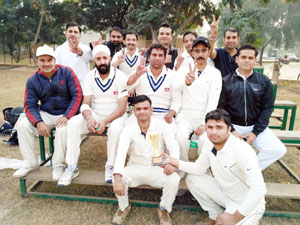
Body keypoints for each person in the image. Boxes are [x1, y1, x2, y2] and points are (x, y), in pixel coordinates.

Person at [164, 109, 266, 225]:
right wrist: (175, 162)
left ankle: (248, 219)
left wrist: (235, 217)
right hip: (225, 194)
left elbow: (259, 188)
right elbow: (199, 168)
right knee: (192, 179)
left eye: (219, 127)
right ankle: (215, 215)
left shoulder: (242, 150)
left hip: (247, 204)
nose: (214, 132)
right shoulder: (209, 143)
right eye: (210, 127)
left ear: (229, 129)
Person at [57, 44, 128, 186]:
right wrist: (89, 118)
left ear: (109, 59)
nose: (102, 61)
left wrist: (105, 121)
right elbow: (86, 103)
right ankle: (71, 166)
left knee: (116, 129)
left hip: (116, 116)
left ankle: (111, 166)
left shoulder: (121, 76)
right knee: (73, 123)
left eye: (105, 58)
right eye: (98, 59)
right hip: (95, 114)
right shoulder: (89, 76)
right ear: (94, 61)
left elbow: (122, 107)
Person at [13, 45, 82, 179]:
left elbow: (77, 95)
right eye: (42, 60)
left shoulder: (67, 72)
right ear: (37, 61)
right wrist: (38, 122)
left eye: (49, 60)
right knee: (22, 125)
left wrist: (67, 116)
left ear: (55, 60)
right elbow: (30, 104)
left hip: (66, 113)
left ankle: (58, 164)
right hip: (47, 113)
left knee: (62, 129)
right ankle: (30, 162)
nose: (46, 64)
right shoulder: (32, 80)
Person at [112, 95, 180, 225]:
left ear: (151, 109)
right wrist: (117, 177)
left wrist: (173, 163)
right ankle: (124, 207)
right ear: (134, 111)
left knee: (174, 179)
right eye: (138, 109)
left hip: (157, 168)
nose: (142, 111)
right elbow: (120, 153)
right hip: (135, 167)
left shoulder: (162, 126)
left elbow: (173, 146)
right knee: (118, 176)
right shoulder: (128, 129)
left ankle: (164, 209)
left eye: (145, 108)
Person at [218, 44, 286, 170]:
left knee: (278, 149)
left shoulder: (264, 81)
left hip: (255, 126)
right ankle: (231, 172)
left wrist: (255, 132)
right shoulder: (225, 81)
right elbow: (221, 109)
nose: (247, 60)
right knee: (217, 152)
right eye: (243, 57)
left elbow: (267, 108)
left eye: (250, 58)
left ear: (255, 60)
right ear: (237, 59)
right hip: (232, 127)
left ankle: (247, 171)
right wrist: (231, 130)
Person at [174, 37, 222, 163]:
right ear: (192, 52)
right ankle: (183, 164)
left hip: (204, 115)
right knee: (180, 137)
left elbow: (213, 99)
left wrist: (204, 122)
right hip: (185, 115)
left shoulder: (215, 73)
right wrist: (186, 82)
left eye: (204, 50)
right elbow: (175, 87)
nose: (200, 54)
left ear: (208, 51)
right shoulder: (184, 70)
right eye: (197, 51)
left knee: (206, 140)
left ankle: (202, 167)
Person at [126, 43, 181, 128]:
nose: (157, 58)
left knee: (173, 134)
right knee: (127, 129)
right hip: (141, 113)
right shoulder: (140, 71)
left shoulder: (173, 75)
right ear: (148, 57)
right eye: (154, 55)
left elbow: (177, 99)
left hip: (164, 115)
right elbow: (127, 86)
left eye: (160, 55)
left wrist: (171, 113)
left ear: (165, 58)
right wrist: (137, 75)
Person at [112, 30, 142, 98]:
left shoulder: (142, 55)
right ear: (124, 41)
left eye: (133, 40)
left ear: (137, 42)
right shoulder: (119, 54)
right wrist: (118, 62)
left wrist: (133, 86)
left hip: (138, 90)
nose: (131, 42)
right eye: (128, 40)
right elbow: (110, 69)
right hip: (122, 90)